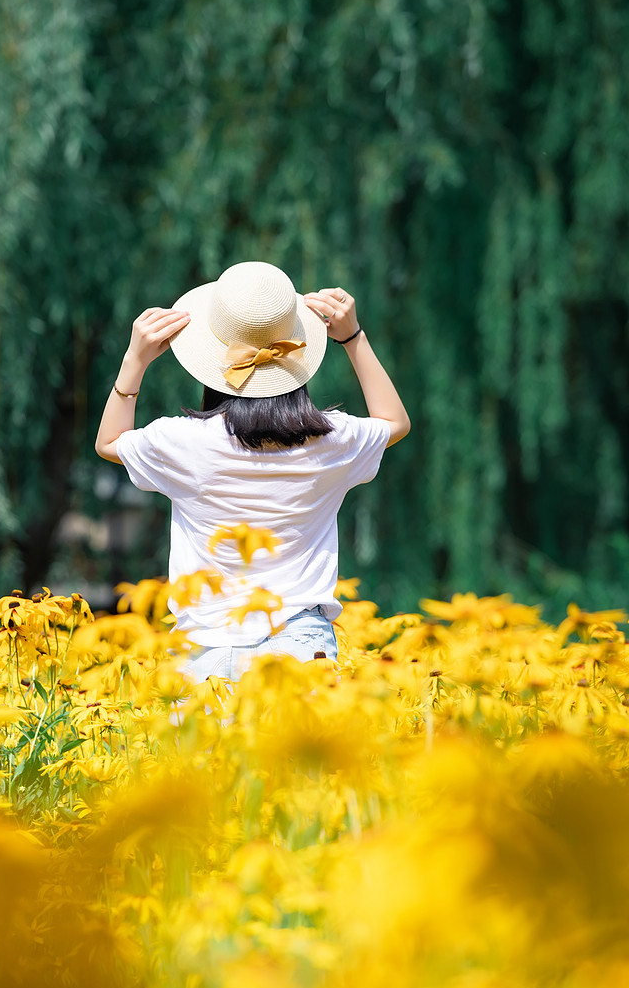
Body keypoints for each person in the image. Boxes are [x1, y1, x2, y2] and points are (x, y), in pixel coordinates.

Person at [95, 261, 410, 682]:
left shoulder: (183, 442)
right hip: (301, 648)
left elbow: (109, 442)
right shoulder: (332, 441)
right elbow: (395, 422)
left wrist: (135, 359)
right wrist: (353, 338)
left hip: (203, 651)